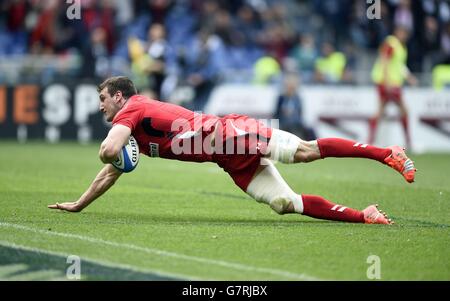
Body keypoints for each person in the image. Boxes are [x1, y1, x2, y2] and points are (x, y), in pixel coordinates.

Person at [48, 76, 417, 225]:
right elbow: (110, 169)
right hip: (226, 159)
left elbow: (107, 153)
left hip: (230, 134)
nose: (100, 106)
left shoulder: (131, 109)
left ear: (118, 96)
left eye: (102, 99)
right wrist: (80, 203)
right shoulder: (131, 132)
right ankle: (364, 216)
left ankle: (387, 152)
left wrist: (112, 150)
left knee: (304, 152)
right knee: (284, 204)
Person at [369, 26, 418, 149]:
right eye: (402, 32)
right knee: (402, 111)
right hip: (388, 83)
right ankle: (409, 143)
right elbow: (384, 60)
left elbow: (399, 66)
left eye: (406, 33)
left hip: (392, 83)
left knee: (380, 111)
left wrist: (409, 77)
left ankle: (370, 141)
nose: (404, 35)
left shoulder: (401, 47)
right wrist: (387, 81)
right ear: (397, 32)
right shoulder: (391, 43)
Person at [274, 74, 317, 141]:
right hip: (284, 124)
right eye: (290, 85)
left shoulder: (297, 98)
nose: (291, 87)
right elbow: (276, 114)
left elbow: (300, 113)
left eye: (293, 85)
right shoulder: (281, 98)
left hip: (297, 124)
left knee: (310, 131)